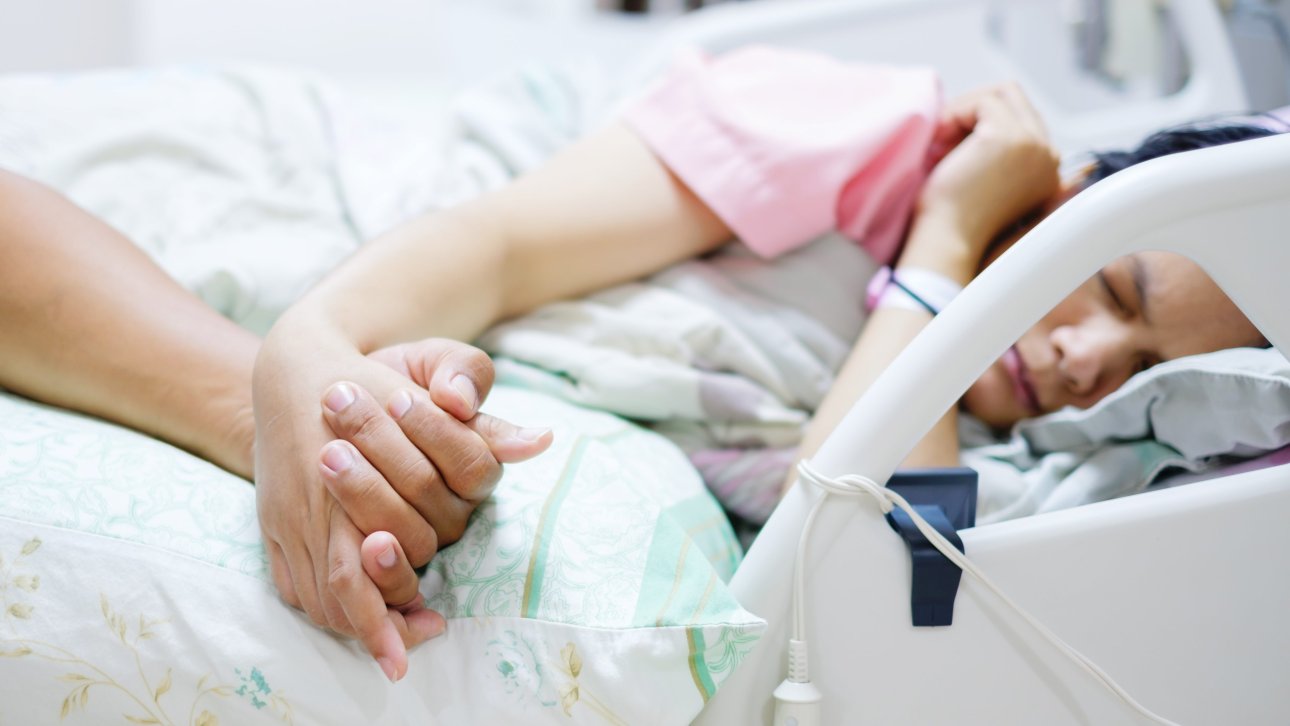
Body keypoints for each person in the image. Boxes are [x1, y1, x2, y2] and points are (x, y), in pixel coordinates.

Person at [0, 48, 1278, 681]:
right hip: (410, 226)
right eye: (1115, 288)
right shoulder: (866, 131)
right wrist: (305, 362)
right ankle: (262, 399)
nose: (1086, 359)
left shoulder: (1024, 434)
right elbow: (493, 249)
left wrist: (944, 255)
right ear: (1076, 190)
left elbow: (892, 583)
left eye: (1145, 370)